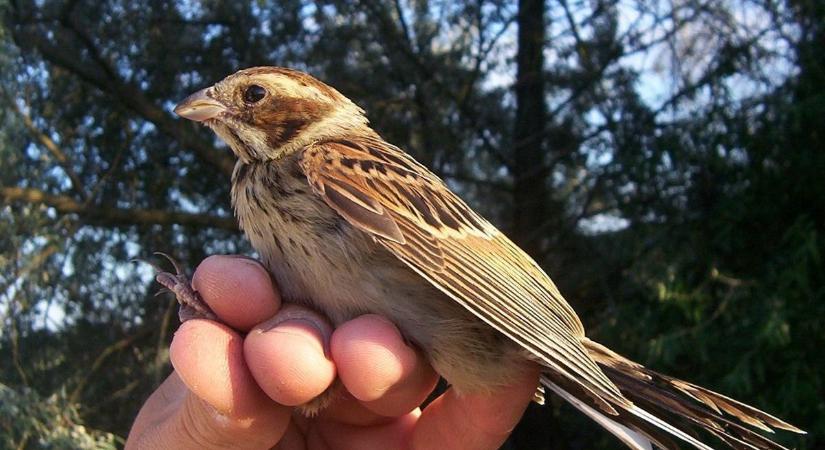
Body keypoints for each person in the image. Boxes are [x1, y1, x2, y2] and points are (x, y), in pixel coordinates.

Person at [125, 255, 540, 449]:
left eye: (253, 97)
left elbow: (455, 257)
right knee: (290, 357)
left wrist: (541, 337)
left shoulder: (327, 162)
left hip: (490, 316)